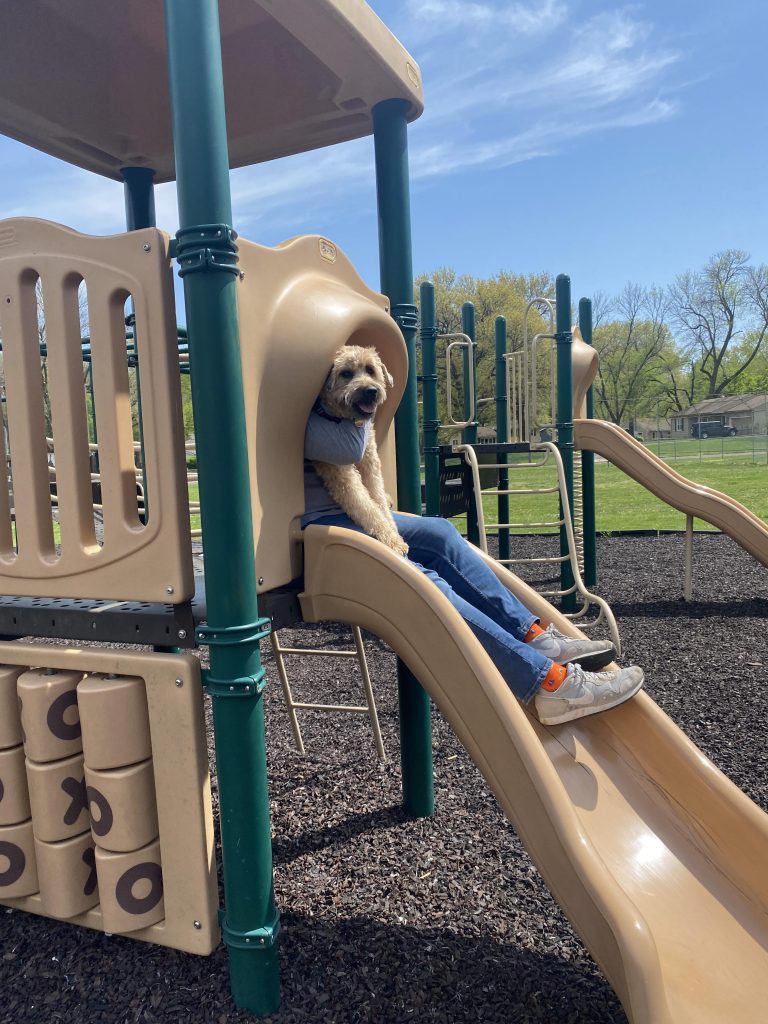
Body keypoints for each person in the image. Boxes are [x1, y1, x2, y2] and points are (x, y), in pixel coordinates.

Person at [302, 401, 644, 727]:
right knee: (421, 579)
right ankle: (550, 685)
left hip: (354, 512)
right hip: (318, 526)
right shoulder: (290, 398)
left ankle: (535, 637)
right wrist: (364, 411)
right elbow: (350, 449)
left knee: (440, 533)